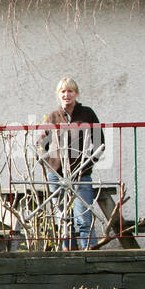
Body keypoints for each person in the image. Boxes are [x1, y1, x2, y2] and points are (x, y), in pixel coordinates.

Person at [38, 77, 104, 249]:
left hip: (81, 172)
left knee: (83, 217)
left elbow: (99, 142)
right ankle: (67, 251)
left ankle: (89, 251)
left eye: (70, 91)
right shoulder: (53, 117)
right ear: (58, 95)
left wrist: (88, 163)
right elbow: (41, 143)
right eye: (63, 91)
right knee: (62, 218)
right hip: (57, 174)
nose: (66, 95)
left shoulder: (87, 114)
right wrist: (50, 164)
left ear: (76, 93)